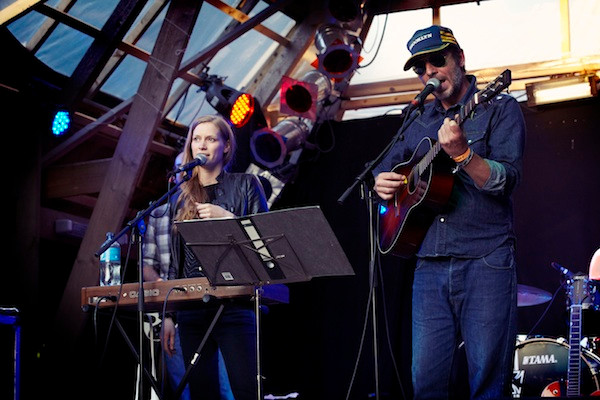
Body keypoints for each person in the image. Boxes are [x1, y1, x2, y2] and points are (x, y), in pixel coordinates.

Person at [373, 25, 525, 399]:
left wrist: (463, 155)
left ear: (459, 58)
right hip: (428, 263)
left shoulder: (497, 106)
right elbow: (387, 169)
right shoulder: (416, 119)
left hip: (485, 258)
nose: (430, 72)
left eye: (437, 61)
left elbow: (506, 180)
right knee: (425, 382)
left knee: (488, 381)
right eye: (421, 68)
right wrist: (382, 182)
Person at [164, 114, 269, 400]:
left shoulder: (247, 184)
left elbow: (266, 244)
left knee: (247, 390)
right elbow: (175, 261)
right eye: (196, 139)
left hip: (234, 304)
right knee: (202, 392)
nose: (202, 145)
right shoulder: (180, 196)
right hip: (191, 308)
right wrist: (169, 315)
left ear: (226, 146)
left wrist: (229, 218)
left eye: (210, 139)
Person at [143, 152, 234, 400]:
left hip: (215, 309)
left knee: (225, 388)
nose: (187, 173)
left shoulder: (214, 208)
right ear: (175, 176)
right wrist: (168, 306)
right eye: (182, 168)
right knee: (184, 388)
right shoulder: (160, 215)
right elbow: (147, 265)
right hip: (175, 313)